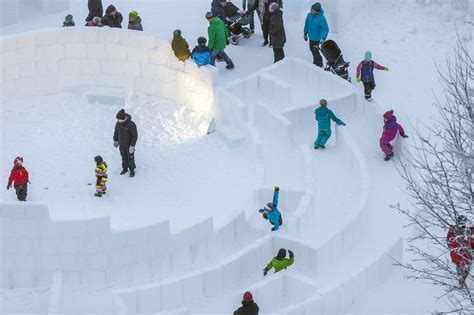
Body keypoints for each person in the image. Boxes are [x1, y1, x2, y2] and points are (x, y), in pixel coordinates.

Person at [447, 215, 474, 288]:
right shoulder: (453, 232)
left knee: (465, 268)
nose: (462, 225)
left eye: (464, 223)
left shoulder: (468, 230)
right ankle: (461, 282)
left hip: (465, 255)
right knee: (461, 268)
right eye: (461, 223)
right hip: (459, 255)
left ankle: (461, 281)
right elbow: (450, 243)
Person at [113, 109, 138, 177]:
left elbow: (134, 136)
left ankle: (132, 170)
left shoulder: (131, 124)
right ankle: (125, 168)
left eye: (120, 120)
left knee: (130, 158)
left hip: (129, 145)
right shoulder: (118, 123)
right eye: (118, 119)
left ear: (124, 118)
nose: (119, 121)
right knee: (123, 157)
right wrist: (115, 140)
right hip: (121, 144)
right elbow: (116, 132)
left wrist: (132, 145)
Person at [303, 3, 329, 67]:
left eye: (313, 10)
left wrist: (323, 38)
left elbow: (325, 29)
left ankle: (319, 64)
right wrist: (305, 33)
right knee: (312, 50)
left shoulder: (321, 18)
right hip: (311, 37)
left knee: (315, 52)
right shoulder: (309, 15)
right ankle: (315, 62)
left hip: (317, 38)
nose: (311, 11)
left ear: (317, 11)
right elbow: (306, 24)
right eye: (311, 9)